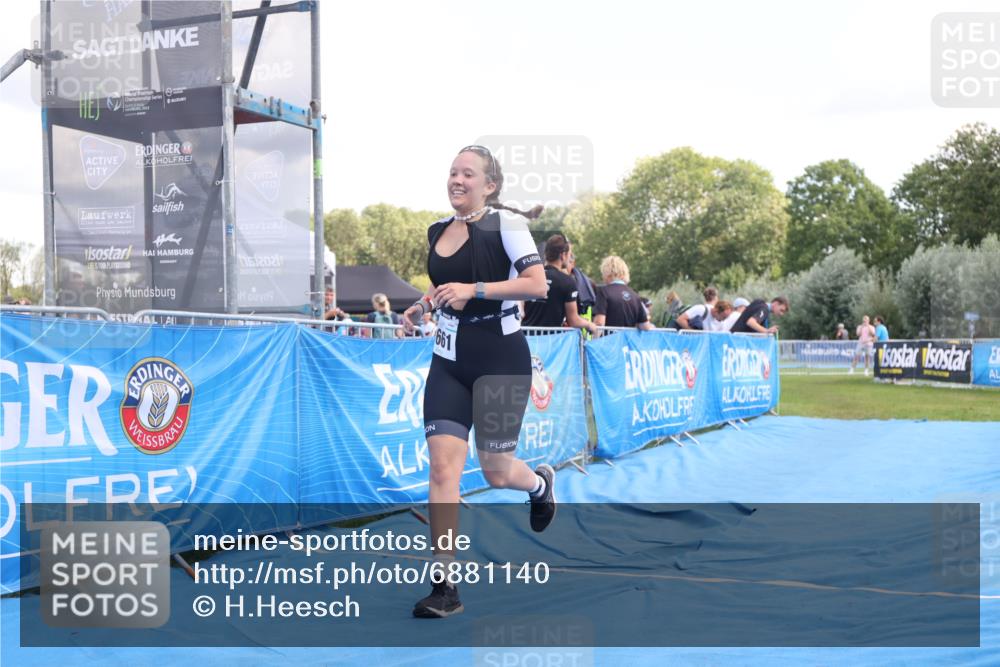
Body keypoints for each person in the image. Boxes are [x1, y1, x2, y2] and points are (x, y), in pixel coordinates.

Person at [400, 145, 555, 619]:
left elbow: (537, 284)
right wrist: (422, 305)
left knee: (496, 472)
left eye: (468, 173)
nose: (457, 179)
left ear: (490, 185)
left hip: (500, 360)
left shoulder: (506, 226)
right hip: (448, 362)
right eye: (452, 172)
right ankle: (444, 586)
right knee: (442, 471)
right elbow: (442, 284)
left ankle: (538, 485)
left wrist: (476, 290)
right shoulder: (436, 230)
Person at [523, 235, 598, 335]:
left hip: (527, 337)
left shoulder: (532, 276)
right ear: (563, 255)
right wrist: (589, 325)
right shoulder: (567, 281)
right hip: (551, 340)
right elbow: (573, 320)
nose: (570, 258)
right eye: (570, 254)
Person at [592, 256, 653, 332]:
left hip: (610, 338)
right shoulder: (635, 295)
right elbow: (645, 326)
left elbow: (599, 323)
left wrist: (594, 338)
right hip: (628, 339)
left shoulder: (603, 292)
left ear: (607, 273)